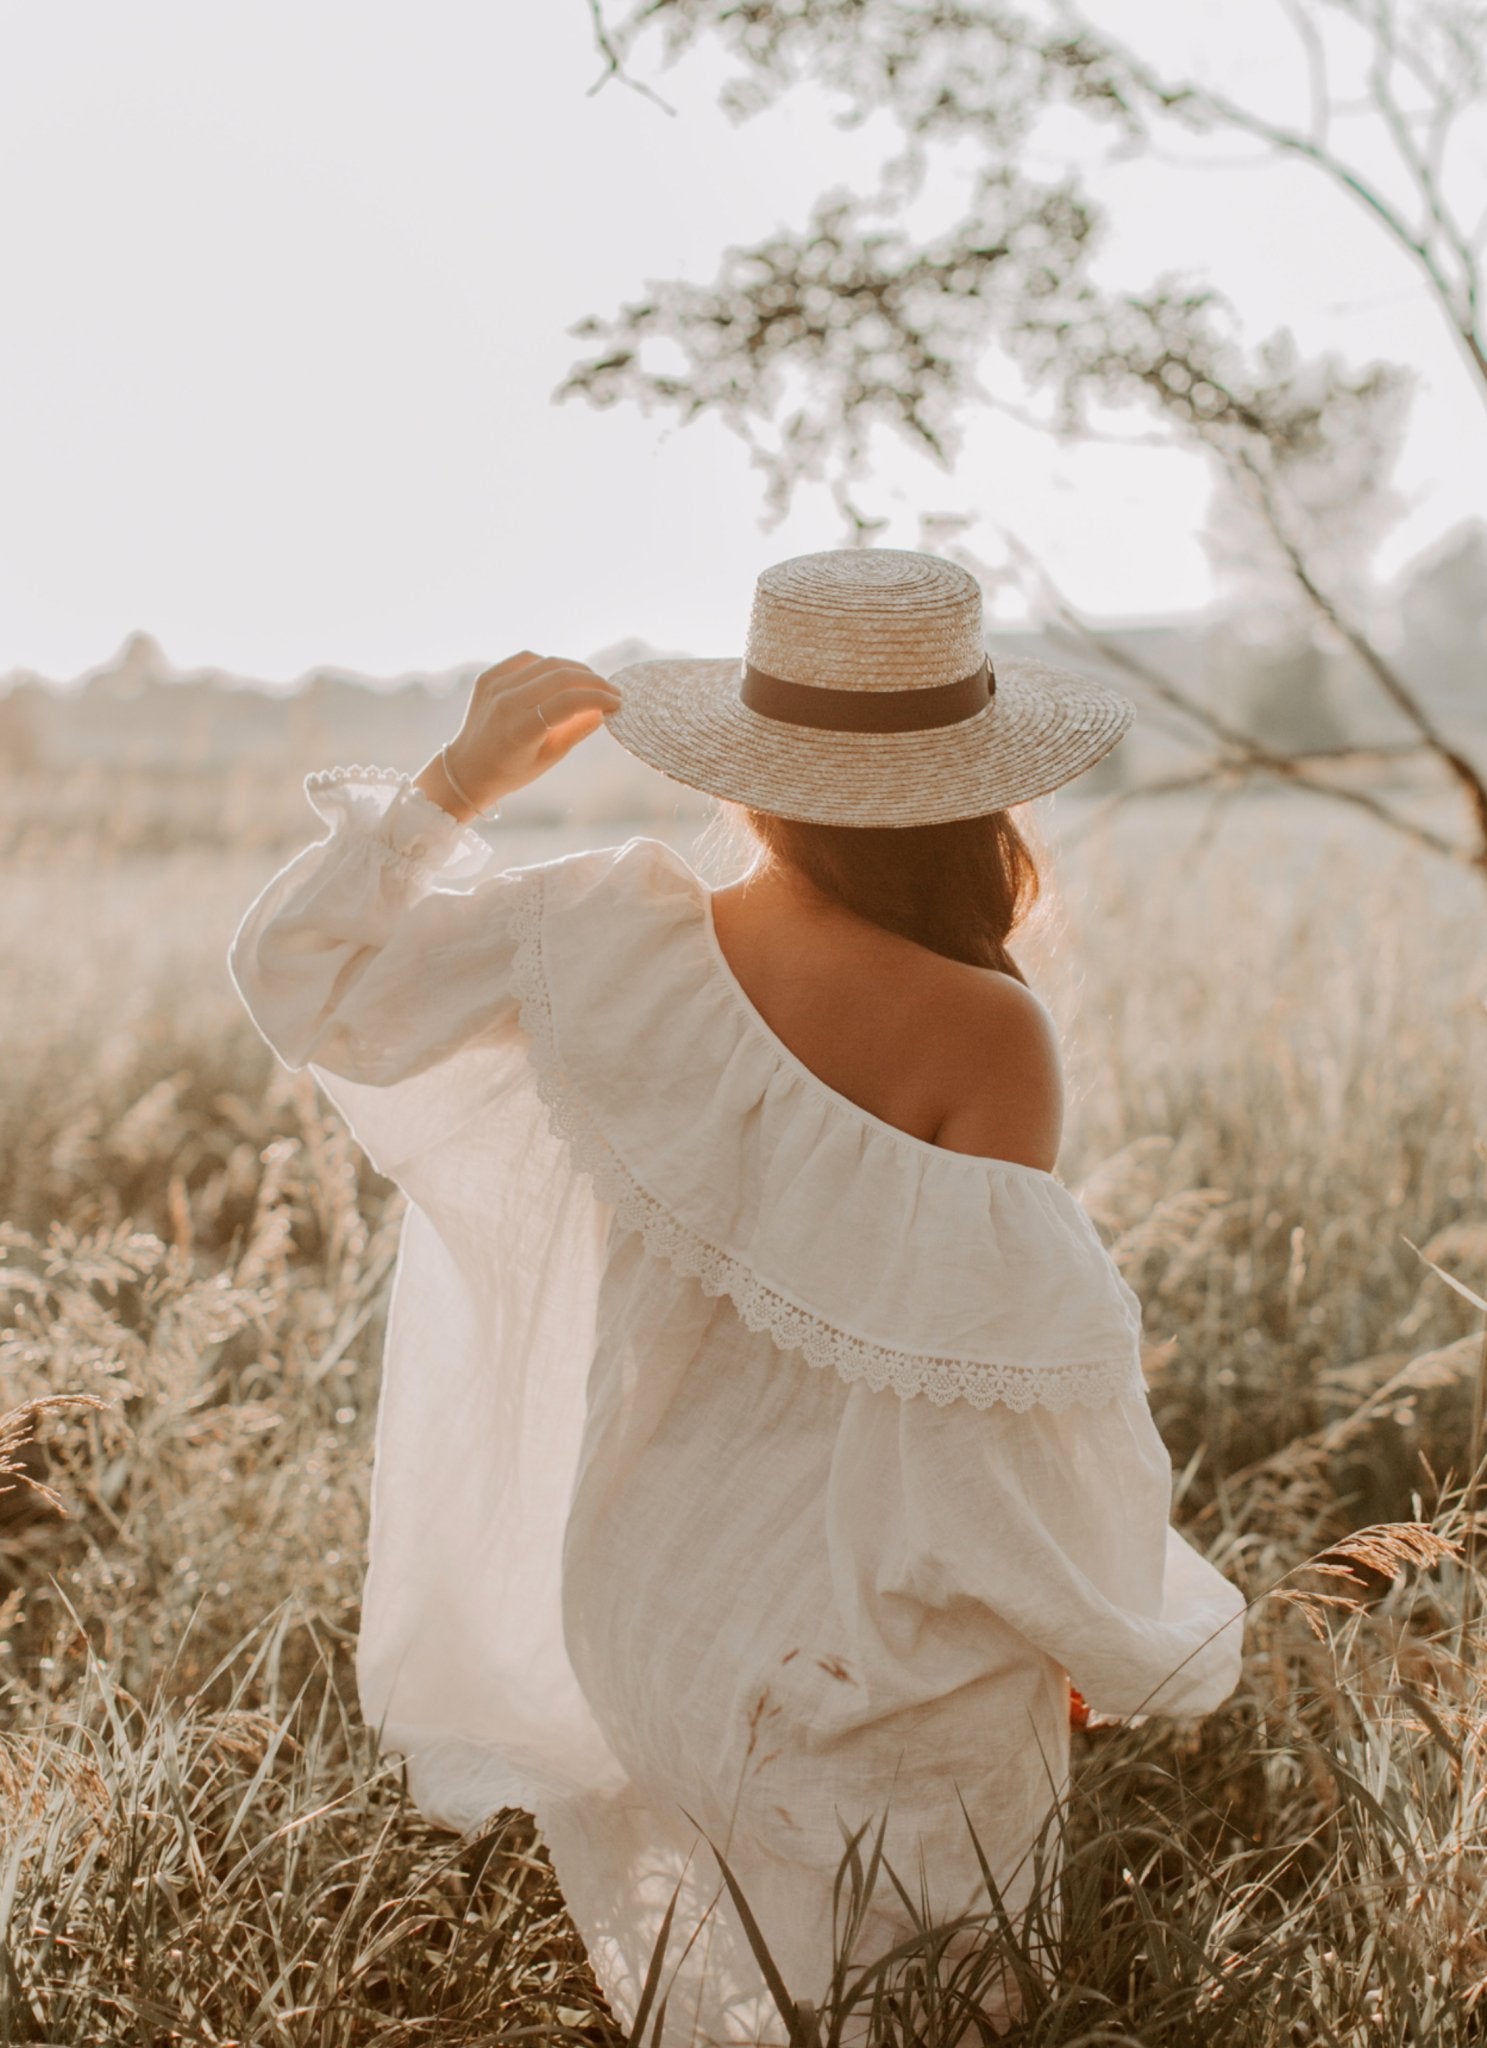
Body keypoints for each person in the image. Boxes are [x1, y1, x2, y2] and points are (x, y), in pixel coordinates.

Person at [229, 547, 1247, 2046]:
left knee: (707, 1992)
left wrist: (455, 783)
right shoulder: (986, 1034)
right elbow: (1000, 1419)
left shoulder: (604, 936)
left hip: (644, 1604)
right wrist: (1082, 1626)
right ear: (976, 792)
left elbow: (304, 980)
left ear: (753, 768)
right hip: (879, 1650)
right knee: (917, 2011)